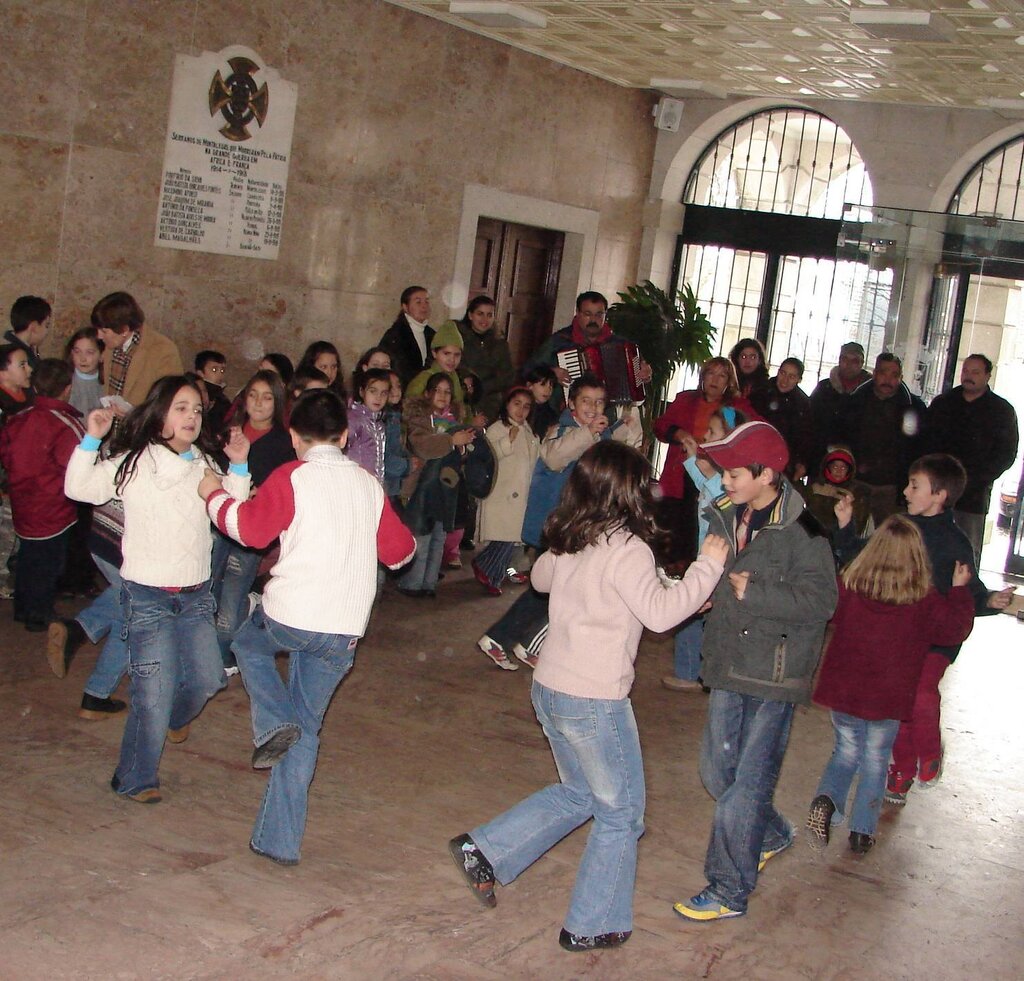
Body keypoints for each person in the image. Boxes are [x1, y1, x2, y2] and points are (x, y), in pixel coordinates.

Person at [449, 441, 728, 952]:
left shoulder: (573, 540)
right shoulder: (628, 548)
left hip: (551, 691)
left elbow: (541, 579)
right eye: (644, 482)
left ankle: (484, 849)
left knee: (581, 794)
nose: (652, 490)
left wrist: (673, 588)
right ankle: (592, 922)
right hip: (595, 701)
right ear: (627, 491)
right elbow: (661, 617)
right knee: (621, 814)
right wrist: (706, 567)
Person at [200, 389, 415, 865]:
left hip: (291, 616)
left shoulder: (292, 475)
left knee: (246, 643)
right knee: (308, 726)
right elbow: (401, 554)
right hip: (343, 629)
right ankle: (278, 841)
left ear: (294, 435)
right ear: (343, 436)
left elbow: (251, 532)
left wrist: (212, 495)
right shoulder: (366, 484)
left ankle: (275, 723)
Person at [672, 421, 837, 922]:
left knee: (747, 785)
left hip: (774, 673)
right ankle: (769, 834)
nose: (723, 480)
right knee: (717, 771)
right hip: (728, 662)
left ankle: (728, 889)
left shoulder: (804, 531)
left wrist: (755, 593)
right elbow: (727, 575)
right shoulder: (728, 512)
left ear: (767, 475)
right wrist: (705, 594)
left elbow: (823, 601)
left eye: (734, 472)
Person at [64, 376, 251, 804]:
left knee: (207, 679)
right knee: (153, 690)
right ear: (160, 412)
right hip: (146, 596)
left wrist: (238, 465)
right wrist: (91, 441)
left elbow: (233, 514)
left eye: (197, 410)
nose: (191, 417)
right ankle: (134, 776)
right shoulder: (134, 463)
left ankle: (172, 718)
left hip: (195, 597)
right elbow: (78, 488)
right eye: (181, 408)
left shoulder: (204, 461)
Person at [833, 454, 1013, 805]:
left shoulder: (954, 541)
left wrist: (990, 600)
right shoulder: (898, 527)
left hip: (937, 636)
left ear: (939, 495)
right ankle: (900, 770)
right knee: (898, 704)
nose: (906, 491)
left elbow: (970, 590)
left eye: (915, 486)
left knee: (921, 693)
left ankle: (929, 753)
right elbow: (860, 557)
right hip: (901, 636)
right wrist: (844, 526)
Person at [807, 515, 974, 856]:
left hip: (845, 691)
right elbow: (953, 630)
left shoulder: (850, 587)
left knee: (846, 751)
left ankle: (828, 800)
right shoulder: (923, 600)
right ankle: (861, 831)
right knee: (876, 759)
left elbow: (827, 612)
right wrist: (959, 591)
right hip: (890, 696)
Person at [476, 374, 642, 671]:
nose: (593, 407)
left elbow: (619, 447)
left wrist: (630, 420)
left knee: (552, 589)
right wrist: (589, 433)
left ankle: (520, 641)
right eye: (586, 401)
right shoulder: (562, 430)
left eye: (599, 402)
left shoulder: (597, 432)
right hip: (552, 524)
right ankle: (503, 638)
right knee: (552, 589)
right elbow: (554, 458)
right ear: (571, 404)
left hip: (572, 525)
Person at [210, 370, 295, 670]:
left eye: (267, 397)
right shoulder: (230, 434)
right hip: (220, 524)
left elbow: (285, 486)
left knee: (232, 597)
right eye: (253, 395)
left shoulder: (283, 444)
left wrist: (260, 492)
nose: (258, 403)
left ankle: (224, 659)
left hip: (251, 531)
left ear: (277, 403)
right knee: (209, 589)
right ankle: (209, 653)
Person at [662, 405, 745, 692]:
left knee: (694, 611)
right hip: (708, 554)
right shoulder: (721, 469)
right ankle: (701, 672)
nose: (705, 435)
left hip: (720, 557)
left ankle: (693, 672)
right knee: (700, 613)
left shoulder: (736, 474)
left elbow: (724, 502)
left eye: (712, 432)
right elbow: (705, 487)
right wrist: (693, 460)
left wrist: (707, 471)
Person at [0, 359, 84, 631]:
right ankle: (40, 614)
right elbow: (76, 466)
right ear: (67, 388)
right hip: (53, 508)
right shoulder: (65, 424)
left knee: (28, 558)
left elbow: (6, 453)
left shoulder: (20, 418)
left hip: (23, 503)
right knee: (48, 564)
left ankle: (24, 608)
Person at [653, 357, 757, 565]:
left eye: (722, 375)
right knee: (672, 530)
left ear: (729, 381)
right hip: (681, 472)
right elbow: (661, 426)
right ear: (703, 376)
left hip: (716, 474)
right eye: (711, 373)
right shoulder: (686, 399)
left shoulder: (736, 407)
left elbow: (754, 433)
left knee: (703, 526)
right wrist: (680, 434)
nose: (715, 380)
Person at [925, 353, 1018, 558]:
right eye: (965, 370)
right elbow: (926, 442)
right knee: (931, 547)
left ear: (987, 376)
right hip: (938, 489)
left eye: (975, 372)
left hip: (974, 493)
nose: (968, 375)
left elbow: (1006, 453)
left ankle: (965, 590)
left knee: (967, 550)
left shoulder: (1001, 411)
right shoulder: (944, 403)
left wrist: (977, 479)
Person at [398, 373, 474, 597]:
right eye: (438, 391)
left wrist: (463, 447)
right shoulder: (419, 419)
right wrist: (451, 441)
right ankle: (412, 583)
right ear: (427, 394)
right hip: (422, 486)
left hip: (446, 487)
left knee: (439, 536)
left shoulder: (455, 422)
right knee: (422, 533)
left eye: (447, 391)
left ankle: (429, 583)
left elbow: (463, 454)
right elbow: (423, 445)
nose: (443, 396)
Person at [834, 352, 927, 526]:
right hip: (856, 483)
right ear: (875, 373)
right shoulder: (853, 403)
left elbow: (918, 450)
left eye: (894, 375)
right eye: (884, 372)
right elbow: (840, 440)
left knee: (889, 540)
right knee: (847, 532)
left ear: (900, 378)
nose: (888, 379)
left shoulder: (913, 408)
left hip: (892, 488)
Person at [525, 290, 652, 416]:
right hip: (562, 415)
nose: (593, 319)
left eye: (599, 314)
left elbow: (639, 376)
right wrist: (551, 373)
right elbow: (528, 369)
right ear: (578, 313)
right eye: (587, 314)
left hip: (605, 416)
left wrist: (644, 375)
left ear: (605, 315)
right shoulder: (559, 341)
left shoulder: (622, 346)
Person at [471, 387, 538, 595]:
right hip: (502, 495)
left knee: (510, 538)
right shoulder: (498, 428)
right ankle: (488, 569)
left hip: (519, 495)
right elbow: (489, 457)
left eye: (526, 406)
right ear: (507, 404)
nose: (521, 410)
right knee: (505, 537)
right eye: (516, 404)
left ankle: (498, 571)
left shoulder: (527, 430)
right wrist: (507, 441)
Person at [93, 292, 183, 410]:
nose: (99, 336)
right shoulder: (112, 341)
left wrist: (133, 415)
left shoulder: (163, 351)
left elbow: (170, 401)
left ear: (124, 330)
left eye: (104, 331)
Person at [808, 341, 871, 474]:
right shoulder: (824, 388)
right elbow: (810, 423)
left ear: (862, 363)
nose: (848, 365)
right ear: (839, 360)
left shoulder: (870, 393)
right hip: (822, 462)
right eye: (845, 359)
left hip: (859, 467)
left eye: (855, 360)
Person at [750, 356, 812, 479]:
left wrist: (802, 463)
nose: (785, 380)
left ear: (799, 380)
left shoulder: (802, 403)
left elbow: (806, 437)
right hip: (755, 454)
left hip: (785, 461)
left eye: (792, 376)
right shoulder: (760, 393)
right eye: (783, 373)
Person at [457, 295, 513, 424]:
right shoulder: (459, 339)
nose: (484, 319)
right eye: (480, 314)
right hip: (463, 398)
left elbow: (508, 376)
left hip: (490, 402)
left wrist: (482, 386)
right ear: (470, 315)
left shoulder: (500, 344)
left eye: (489, 315)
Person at [800, 446, 872, 537]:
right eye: (835, 466)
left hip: (841, 540)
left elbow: (859, 524)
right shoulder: (814, 486)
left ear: (849, 470)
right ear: (828, 467)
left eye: (843, 468)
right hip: (813, 539)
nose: (838, 471)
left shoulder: (858, 492)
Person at [379, 286, 435, 387]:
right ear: (405, 307)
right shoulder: (395, 335)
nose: (424, 306)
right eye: (418, 302)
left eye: (426, 302)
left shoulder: (432, 334)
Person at [345, 367, 390, 484]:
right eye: (373, 391)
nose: (378, 397)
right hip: (355, 483)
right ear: (362, 391)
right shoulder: (353, 419)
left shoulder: (379, 423)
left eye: (383, 393)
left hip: (374, 484)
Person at [66, 326, 105, 418]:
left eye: (89, 352)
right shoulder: (65, 382)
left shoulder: (107, 382)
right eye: (77, 352)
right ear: (72, 353)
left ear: (102, 355)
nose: (82, 359)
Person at [6, 295, 50, 370]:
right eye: (46, 325)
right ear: (34, 327)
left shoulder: (28, 349)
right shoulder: (17, 356)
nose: (47, 332)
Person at [194, 350, 232, 434]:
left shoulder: (221, 399)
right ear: (200, 373)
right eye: (214, 370)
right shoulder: (194, 395)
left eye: (222, 370)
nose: (219, 374)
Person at [0, 343, 35, 421]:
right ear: (2, 373)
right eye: (22, 365)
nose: (30, 369)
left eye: (28, 364)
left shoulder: (30, 390)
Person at [728, 338, 770, 402]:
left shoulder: (767, 388)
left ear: (759, 360)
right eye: (743, 357)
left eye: (752, 357)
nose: (747, 361)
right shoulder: (728, 383)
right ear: (736, 359)